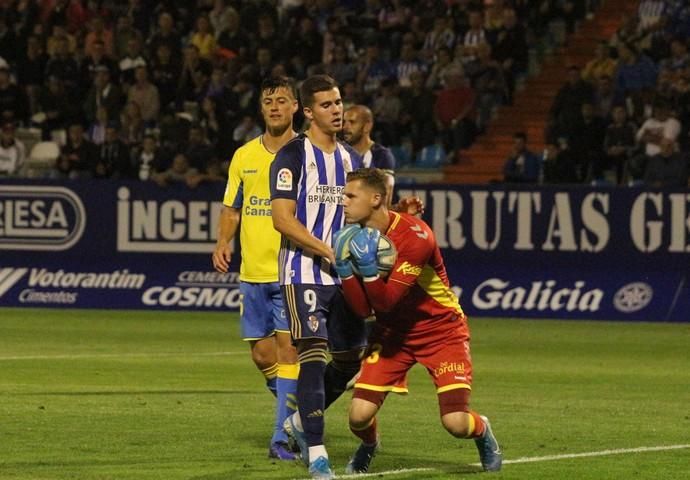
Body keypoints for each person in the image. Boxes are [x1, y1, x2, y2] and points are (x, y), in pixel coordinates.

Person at [332, 168, 502, 474]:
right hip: (393, 333)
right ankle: (370, 444)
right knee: (358, 416)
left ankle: (482, 430)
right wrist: (344, 268)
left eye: (350, 196)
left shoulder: (415, 237)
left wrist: (368, 270)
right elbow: (363, 310)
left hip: (441, 331)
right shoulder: (354, 237)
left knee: (455, 423)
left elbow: (386, 300)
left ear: (375, 199)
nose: (343, 202)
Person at [269, 74, 367, 480]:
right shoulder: (292, 157)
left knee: (348, 360)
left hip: (343, 278)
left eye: (339, 102)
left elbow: (364, 213)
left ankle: (296, 425)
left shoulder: (352, 161)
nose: (337, 110)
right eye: (326, 105)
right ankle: (317, 451)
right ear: (308, 112)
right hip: (302, 272)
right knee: (312, 354)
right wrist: (328, 250)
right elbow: (281, 219)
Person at [212, 76, 300, 461]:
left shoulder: (306, 153)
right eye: (269, 101)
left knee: (288, 355)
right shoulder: (244, 155)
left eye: (282, 100)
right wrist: (222, 241)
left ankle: (281, 437)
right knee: (264, 358)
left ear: (296, 106)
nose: (275, 107)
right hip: (252, 272)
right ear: (262, 109)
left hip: (291, 271)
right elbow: (232, 206)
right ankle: (298, 407)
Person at [342, 104, 395, 205]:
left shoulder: (381, 155)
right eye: (344, 122)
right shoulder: (338, 153)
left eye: (352, 122)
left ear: (367, 126)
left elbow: (385, 202)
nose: (345, 127)